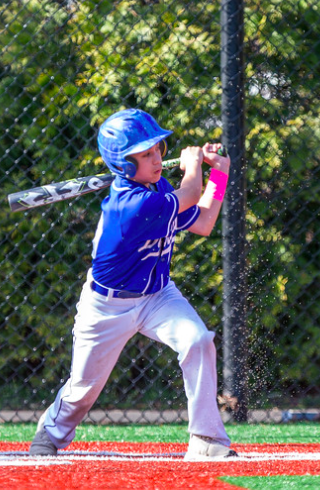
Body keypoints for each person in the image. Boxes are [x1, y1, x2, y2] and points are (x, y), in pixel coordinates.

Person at [29, 108, 237, 461]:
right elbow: (188, 195)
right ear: (123, 166)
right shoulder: (130, 205)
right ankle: (50, 433)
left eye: (158, 149)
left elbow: (201, 222)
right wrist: (195, 167)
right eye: (145, 154)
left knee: (198, 341)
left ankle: (207, 439)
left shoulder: (156, 187)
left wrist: (220, 172)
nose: (157, 158)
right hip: (107, 307)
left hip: (157, 295)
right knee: (83, 389)